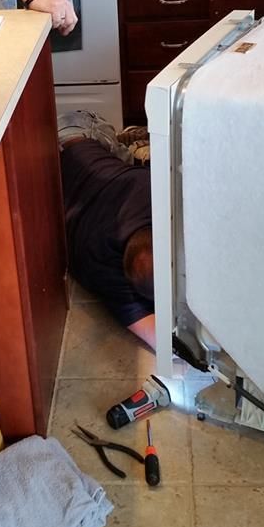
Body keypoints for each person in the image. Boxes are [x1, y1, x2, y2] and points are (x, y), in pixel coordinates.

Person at [58, 111, 156, 349]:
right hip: (65, 137)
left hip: (83, 143)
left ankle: (130, 142)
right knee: (125, 161)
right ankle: (130, 142)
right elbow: (160, 339)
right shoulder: (101, 267)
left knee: (128, 161)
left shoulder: (162, 199)